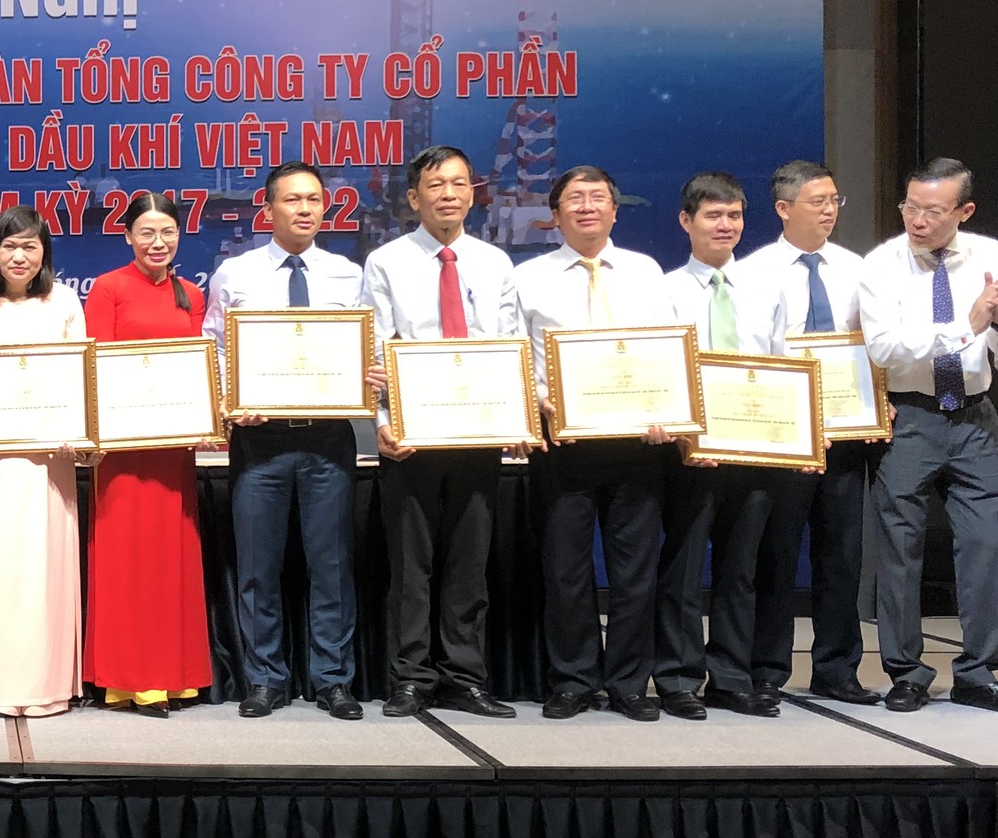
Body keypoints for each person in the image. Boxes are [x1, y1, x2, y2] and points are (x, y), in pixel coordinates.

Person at [859, 157, 998, 713]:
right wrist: (967, 325)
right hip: (909, 417)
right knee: (900, 548)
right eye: (910, 207)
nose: (918, 220)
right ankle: (906, 672)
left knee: (985, 543)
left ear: (965, 210)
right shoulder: (881, 264)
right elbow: (885, 349)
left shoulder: (992, 256)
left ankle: (979, 672)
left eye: (933, 211)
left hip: (973, 416)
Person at [201, 162, 372, 720]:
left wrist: (372, 374)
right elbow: (215, 349)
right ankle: (264, 679)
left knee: (332, 568)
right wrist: (231, 401)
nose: (304, 209)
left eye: (314, 199)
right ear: (268, 207)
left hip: (329, 439)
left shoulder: (348, 274)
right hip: (261, 441)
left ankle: (333, 680)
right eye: (293, 199)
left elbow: (367, 348)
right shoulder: (236, 273)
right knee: (258, 569)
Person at [513, 164, 678, 720]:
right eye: (575, 199)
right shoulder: (528, 278)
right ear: (555, 215)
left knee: (635, 571)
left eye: (599, 197)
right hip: (563, 443)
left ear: (614, 210)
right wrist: (538, 400)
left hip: (637, 443)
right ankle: (574, 680)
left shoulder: (645, 271)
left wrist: (668, 410)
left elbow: (666, 350)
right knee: (566, 570)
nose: (588, 207)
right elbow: (515, 355)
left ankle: (629, 683)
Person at [363, 144, 522, 718]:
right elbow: (375, 351)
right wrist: (382, 424)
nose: (449, 194)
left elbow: (512, 346)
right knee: (412, 566)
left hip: (477, 433)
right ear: (414, 198)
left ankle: (465, 677)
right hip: (411, 438)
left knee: (468, 564)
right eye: (436, 185)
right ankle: (410, 677)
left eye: (459, 183)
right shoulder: (386, 262)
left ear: (472, 194)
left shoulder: (495, 263)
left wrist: (515, 419)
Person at [655, 173, 792, 717]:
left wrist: (796, 438)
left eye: (734, 215)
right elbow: (660, 370)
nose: (725, 225)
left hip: (752, 449)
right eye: (713, 215)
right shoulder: (664, 290)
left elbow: (782, 367)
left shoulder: (765, 288)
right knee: (684, 569)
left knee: (741, 570)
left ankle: (732, 677)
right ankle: (678, 678)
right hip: (687, 452)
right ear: (686, 221)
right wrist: (680, 430)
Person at [744, 161, 878, 705]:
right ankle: (766, 668)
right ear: (783, 208)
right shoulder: (754, 271)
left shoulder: (857, 269)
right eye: (817, 201)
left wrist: (876, 403)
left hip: (845, 432)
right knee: (776, 554)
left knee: (842, 555)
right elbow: (753, 354)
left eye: (834, 201)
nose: (829, 211)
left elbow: (872, 346)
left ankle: (837, 669)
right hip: (783, 435)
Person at [0, 207, 88, 717]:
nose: (20, 256)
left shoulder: (64, 301)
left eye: (30, 245)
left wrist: (81, 433)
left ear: (44, 252)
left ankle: (44, 687)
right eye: (9, 245)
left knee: (43, 573)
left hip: (48, 463)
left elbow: (81, 377)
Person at [81, 192, 213, 716]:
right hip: (123, 449)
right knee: (126, 559)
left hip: (171, 449)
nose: (158, 243)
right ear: (128, 237)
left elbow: (198, 366)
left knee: (168, 561)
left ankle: (170, 675)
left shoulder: (191, 294)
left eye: (168, 233)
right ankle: (126, 678)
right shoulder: (108, 288)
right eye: (147, 233)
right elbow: (96, 366)